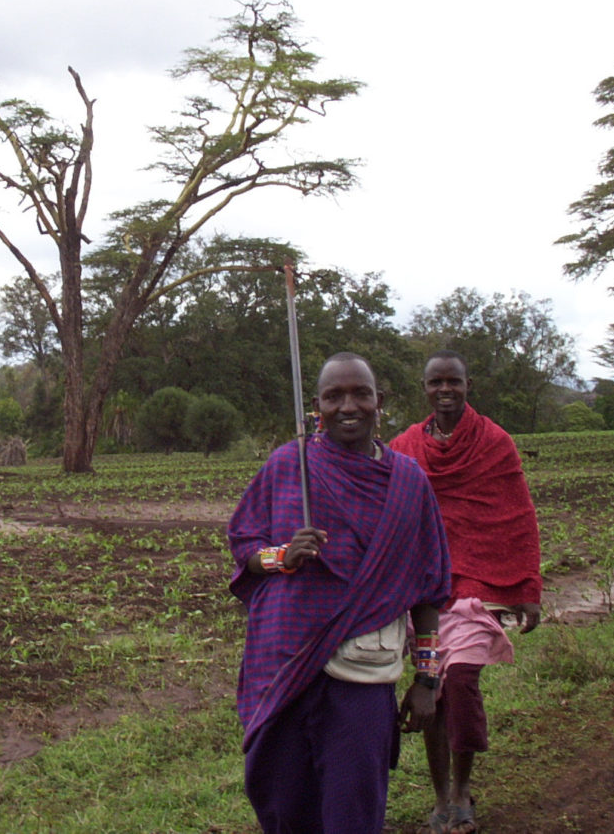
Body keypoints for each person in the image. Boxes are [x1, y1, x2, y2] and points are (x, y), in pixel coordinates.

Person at [229, 352, 452, 834]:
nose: (347, 406)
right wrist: (281, 556)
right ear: (317, 406)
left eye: (360, 394)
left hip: (362, 675)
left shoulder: (409, 484)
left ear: (380, 402)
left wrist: (427, 680)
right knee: (281, 800)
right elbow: (244, 546)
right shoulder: (289, 464)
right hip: (284, 662)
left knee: (354, 806)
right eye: (334, 396)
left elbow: (429, 587)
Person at [388, 350, 543, 834]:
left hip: (477, 586)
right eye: (436, 382)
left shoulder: (495, 442)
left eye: (453, 381)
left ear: (467, 384)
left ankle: (462, 788)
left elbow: (517, 514)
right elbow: (384, 505)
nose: (445, 390)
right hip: (426, 588)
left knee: (460, 681)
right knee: (429, 686)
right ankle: (439, 798)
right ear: (425, 388)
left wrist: (527, 586)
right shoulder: (406, 446)